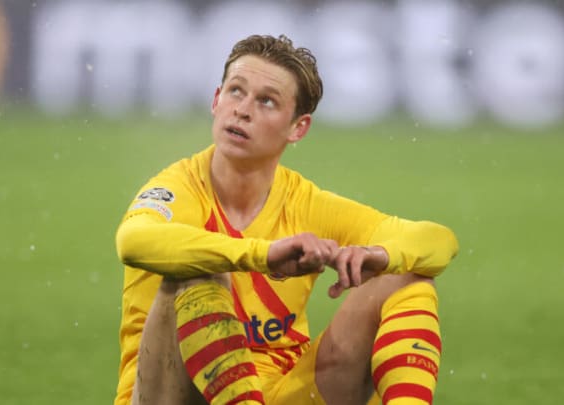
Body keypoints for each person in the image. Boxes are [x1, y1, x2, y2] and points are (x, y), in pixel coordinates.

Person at [114, 34, 458, 405]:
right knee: (198, 271)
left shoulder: (307, 204)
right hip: (173, 395)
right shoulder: (178, 187)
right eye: (235, 91)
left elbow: (438, 241)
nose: (242, 110)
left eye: (266, 101)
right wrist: (264, 254)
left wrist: (381, 256)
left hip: (281, 393)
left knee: (406, 277)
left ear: (298, 128)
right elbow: (133, 241)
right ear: (216, 100)